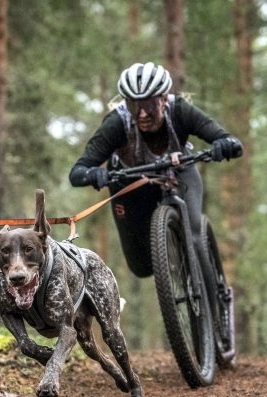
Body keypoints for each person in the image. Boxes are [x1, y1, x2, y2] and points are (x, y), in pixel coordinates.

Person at [69, 62, 243, 278]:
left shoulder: (179, 110)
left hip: (178, 174)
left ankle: (215, 304)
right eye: (134, 105)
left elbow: (227, 139)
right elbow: (77, 172)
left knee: (195, 237)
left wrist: (225, 145)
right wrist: (94, 174)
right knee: (141, 268)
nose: (141, 113)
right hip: (132, 185)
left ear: (163, 99)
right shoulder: (116, 123)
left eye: (149, 104)